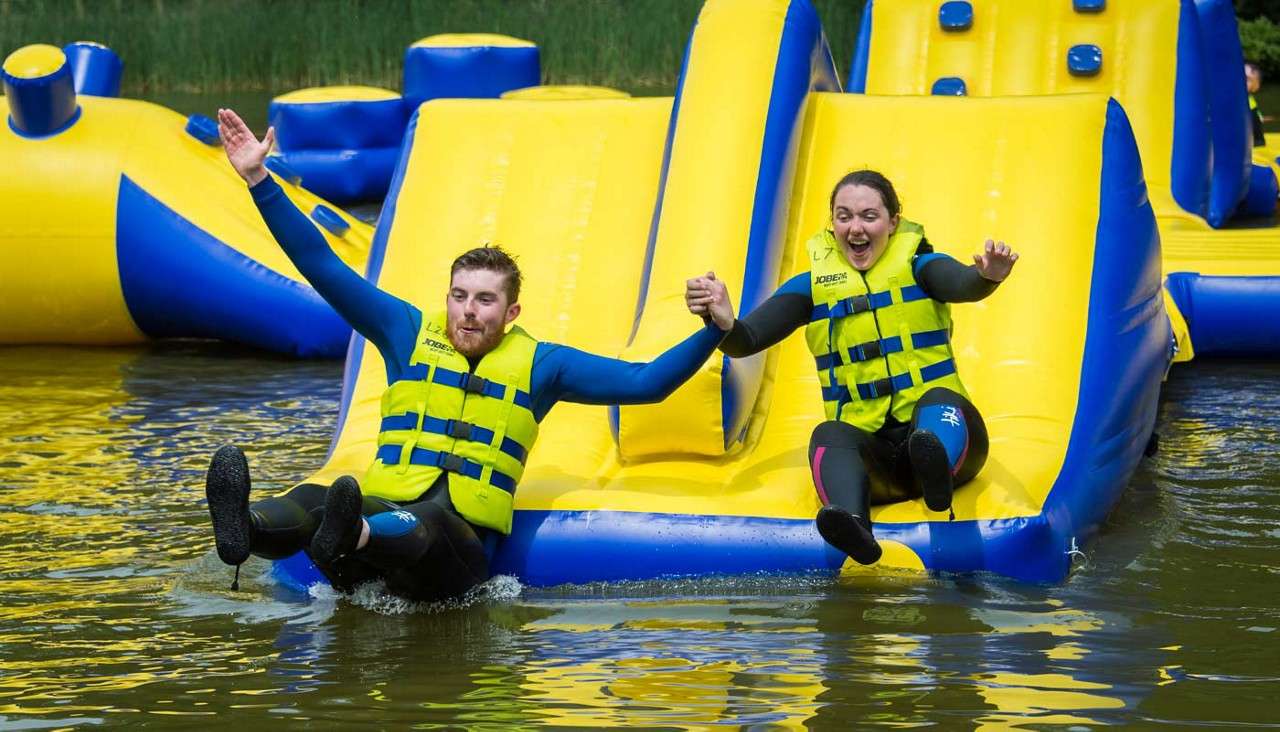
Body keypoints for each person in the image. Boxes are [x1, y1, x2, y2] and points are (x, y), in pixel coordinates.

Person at [206, 109, 734, 601]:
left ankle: (355, 534)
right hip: (376, 524)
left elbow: (645, 384)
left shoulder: (543, 367)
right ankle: (246, 530)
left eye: (485, 300)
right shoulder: (406, 332)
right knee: (317, 497)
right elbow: (322, 265)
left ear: (511, 312)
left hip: (456, 558)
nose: (469, 311)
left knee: (426, 526)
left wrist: (713, 328)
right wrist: (259, 180)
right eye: (459, 296)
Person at [685, 170, 1017, 565]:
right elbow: (747, 340)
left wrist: (987, 276)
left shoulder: (921, 267)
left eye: (868, 216)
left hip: (954, 446)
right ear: (833, 223)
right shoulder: (812, 287)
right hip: (881, 464)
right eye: (843, 217)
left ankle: (936, 472)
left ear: (893, 222)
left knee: (939, 400)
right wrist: (721, 319)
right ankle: (855, 528)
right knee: (828, 434)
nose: (855, 228)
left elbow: (962, 282)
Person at [1247, 61, 1270, 148]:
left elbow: (1255, 110)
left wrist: (1259, 116)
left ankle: (1258, 141)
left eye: (1246, 79)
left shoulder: (1250, 103)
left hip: (1255, 143)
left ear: (1256, 86)